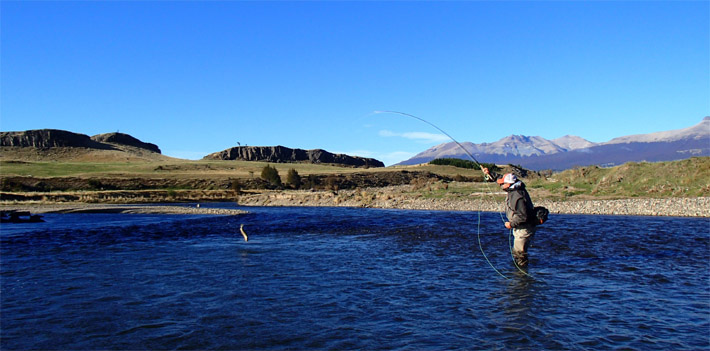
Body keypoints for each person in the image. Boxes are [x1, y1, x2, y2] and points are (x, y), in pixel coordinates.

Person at [482, 168, 537, 268]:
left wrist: (510, 224)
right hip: (521, 227)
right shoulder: (514, 187)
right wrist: (490, 173)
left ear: (508, 184)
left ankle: (521, 278)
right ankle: (520, 275)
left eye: (503, 183)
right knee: (518, 253)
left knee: (519, 254)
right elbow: (499, 179)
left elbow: (522, 216)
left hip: (523, 228)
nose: (501, 185)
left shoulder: (517, 196)